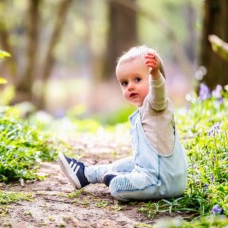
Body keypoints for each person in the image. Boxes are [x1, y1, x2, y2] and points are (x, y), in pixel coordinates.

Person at [58, 45, 188, 201]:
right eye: (124, 83)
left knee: (117, 186)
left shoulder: (157, 105)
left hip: (162, 182)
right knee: (126, 164)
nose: (130, 86)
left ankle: (113, 178)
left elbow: (159, 91)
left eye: (137, 79)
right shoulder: (144, 111)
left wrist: (155, 74)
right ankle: (85, 174)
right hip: (161, 174)